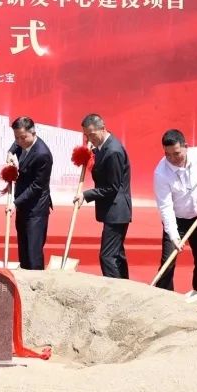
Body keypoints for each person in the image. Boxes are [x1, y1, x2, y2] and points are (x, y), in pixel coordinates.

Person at [152, 129, 197, 291]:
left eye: (176, 153)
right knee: (168, 262)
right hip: (176, 220)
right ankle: (163, 297)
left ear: (186, 146)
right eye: (168, 154)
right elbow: (165, 207)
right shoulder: (161, 173)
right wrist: (173, 235)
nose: (172, 159)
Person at [76, 114, 132, 278]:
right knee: (117, 254)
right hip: (113, 210)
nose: (89, 139)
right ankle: (126, 287)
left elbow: (112, 187)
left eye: (92, 134)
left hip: (117, 211)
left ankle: (114, 289)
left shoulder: (113, 151)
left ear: (103, 129)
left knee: (107, 256)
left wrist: (86, 195)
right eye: (86, 135)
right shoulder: (103, 147)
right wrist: (89, 155)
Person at [7, 117, 53, 270]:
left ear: (33, 133)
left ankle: (37, 282)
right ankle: (24, 280)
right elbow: (16, 144)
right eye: (16, 137)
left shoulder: (42, 154)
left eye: (23, 137)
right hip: (23, 205)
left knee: (33, 254)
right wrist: (10, 152)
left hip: (36, 209)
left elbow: (37, 186)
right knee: (24, 250)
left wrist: (15, 203)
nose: (19, 141)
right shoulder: (21, 142)